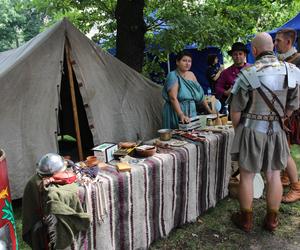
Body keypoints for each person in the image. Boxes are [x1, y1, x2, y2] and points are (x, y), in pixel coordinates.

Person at [228, 32, 300, 232]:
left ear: (253, 50)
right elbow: (294, 104)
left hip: (251, 129)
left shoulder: (247, 74)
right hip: (277, 130)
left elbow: (235, 111)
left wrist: (239, 131)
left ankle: (246, 220)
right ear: (273, 47)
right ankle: (272, 220)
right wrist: (281, 118)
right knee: (274, 174)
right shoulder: (290, 70)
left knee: (247, 175)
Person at [274, 28, 300, 203]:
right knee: (285, 146)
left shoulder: (298, 61)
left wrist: (289, 112)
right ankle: (284, 177)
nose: (275, 44)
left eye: (278, 41)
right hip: (286, 111)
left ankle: (296, 188)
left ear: (288, 42)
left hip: (294, 111)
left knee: (284, 148)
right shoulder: (284, 60)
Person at [162, 50, 213, 129]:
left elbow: (200, 95)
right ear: (177, 62)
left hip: (191, 111)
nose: (187, 63)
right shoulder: (172, 75)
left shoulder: (191, 74)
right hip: (176, 111)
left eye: (189, 61)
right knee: (177, 139)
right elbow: (173, 98)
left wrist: (210, 111)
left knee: (193, 136)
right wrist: (181, 114)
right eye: (184, 60)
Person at [215, 42, 250, 111]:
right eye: (235, 54)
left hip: (251, 106)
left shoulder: (252, 69)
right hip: (234, 107)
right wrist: (225, 92)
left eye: (240, 54)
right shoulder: (226, 72)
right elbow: (218, 87)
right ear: (231, 56)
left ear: (245, 55)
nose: (238, 56)